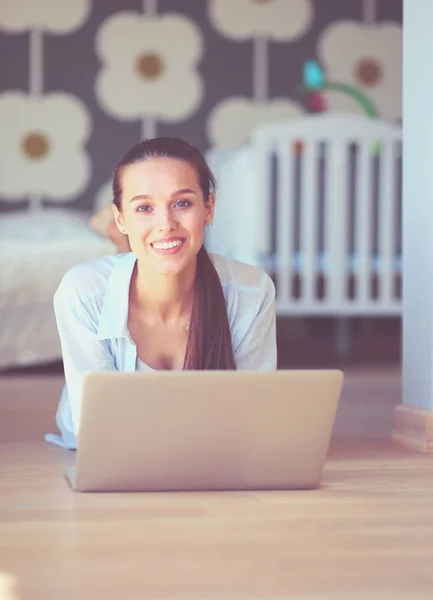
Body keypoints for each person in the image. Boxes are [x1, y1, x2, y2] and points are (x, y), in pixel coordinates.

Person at [45, 137, 277, 450]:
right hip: (118, 447)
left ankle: (125, 240)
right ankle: (121, 241)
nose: (166, 223)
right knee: (158, 250)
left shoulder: (251, 291)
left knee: (161, 247)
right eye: (144, 207)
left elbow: (256, 416)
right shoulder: (82, 291)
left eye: (182, 203)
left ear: (208, 208)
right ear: (121, 218)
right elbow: (98, 428)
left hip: (197, 449)